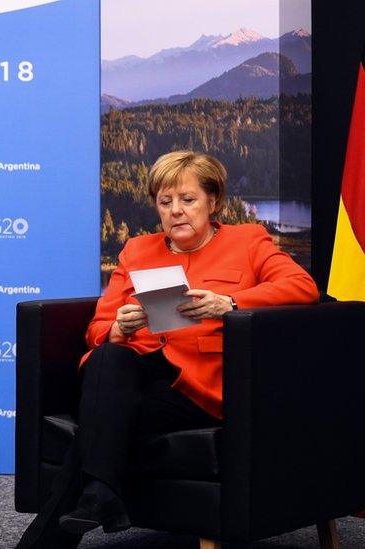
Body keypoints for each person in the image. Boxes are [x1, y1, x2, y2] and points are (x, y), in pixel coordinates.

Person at [17, 151, 318, 548]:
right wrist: (117, 329)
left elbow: (302, 287)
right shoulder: (137, 250)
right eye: (165, 201)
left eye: (187, 200)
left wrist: (229, 303)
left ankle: (95, 495)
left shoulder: (249, 241)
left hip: (199, 385)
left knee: (105, 419)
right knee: (108, 356)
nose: (175, 211)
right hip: (132, 370)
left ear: (213, 202)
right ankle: (100, 495)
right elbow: (96, 330)